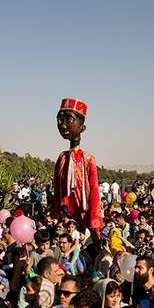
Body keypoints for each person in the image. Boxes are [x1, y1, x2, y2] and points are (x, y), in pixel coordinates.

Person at [52, 98, 103, 232]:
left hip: (85, 217)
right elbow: (57, 189)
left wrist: (94, 221)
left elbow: (94, 191)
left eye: (69, 120)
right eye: (59, 120)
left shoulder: (88, 159)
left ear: (82, 127)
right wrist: (57, 213)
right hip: (66, 220)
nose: (62, 125)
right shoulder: (62, 157)